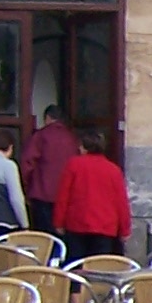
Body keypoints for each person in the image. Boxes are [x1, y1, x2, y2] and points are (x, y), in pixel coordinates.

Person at [53, 129, 133, 261]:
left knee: (75, 266)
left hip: (77, 224)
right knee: (99, 268)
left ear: (84, 147)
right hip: (105, 227)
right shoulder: (113, 170)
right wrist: (125, 229)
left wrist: (58, 222)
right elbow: (121, 202)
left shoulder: (74, 164)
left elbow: (63, 196)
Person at [21, 106, 79, 234]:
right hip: (66, 194)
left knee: (43, 236)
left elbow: (27, 163)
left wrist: (26, 187)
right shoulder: (72, 138)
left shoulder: (40, 136)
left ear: (47, 118)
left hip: (41, 193)